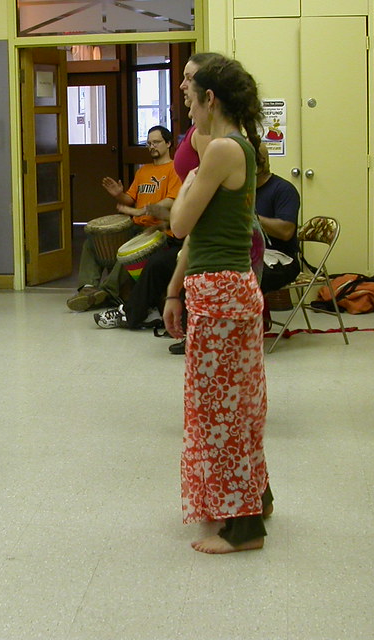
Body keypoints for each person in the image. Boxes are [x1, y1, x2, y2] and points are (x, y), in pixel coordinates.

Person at [163, 56, 271, 554]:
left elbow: (180, 223)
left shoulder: (224, 149)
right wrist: (173, 290)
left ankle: (244, 525)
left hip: (222, 293)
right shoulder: (233, 146)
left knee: (221, 412)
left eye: (191, 96)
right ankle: (256, 497)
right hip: (223, 287)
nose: (186, 105)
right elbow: (195, 234)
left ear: (211, 99)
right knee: (237, 406)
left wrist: (186, 182)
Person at [68, 126, 181, 313]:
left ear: (168, 143)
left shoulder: (174, 169)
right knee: (92, 242)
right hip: (135, 226)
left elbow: (171, 200)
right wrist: (119, 195)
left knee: (126, 251)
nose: (151, 146)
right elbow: (129, 200)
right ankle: (87, 289)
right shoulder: (142, 171)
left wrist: (143, 211)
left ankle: (106, 292)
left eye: (156, 142)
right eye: (149, 143)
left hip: (157, 230)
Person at [255, 143, 301, 294]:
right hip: (248, 252)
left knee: (243, 277)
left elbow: (286, 231)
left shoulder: (283, 189)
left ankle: (253, 316)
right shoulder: (240, 190)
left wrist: (249, 216)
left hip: (282, 258)